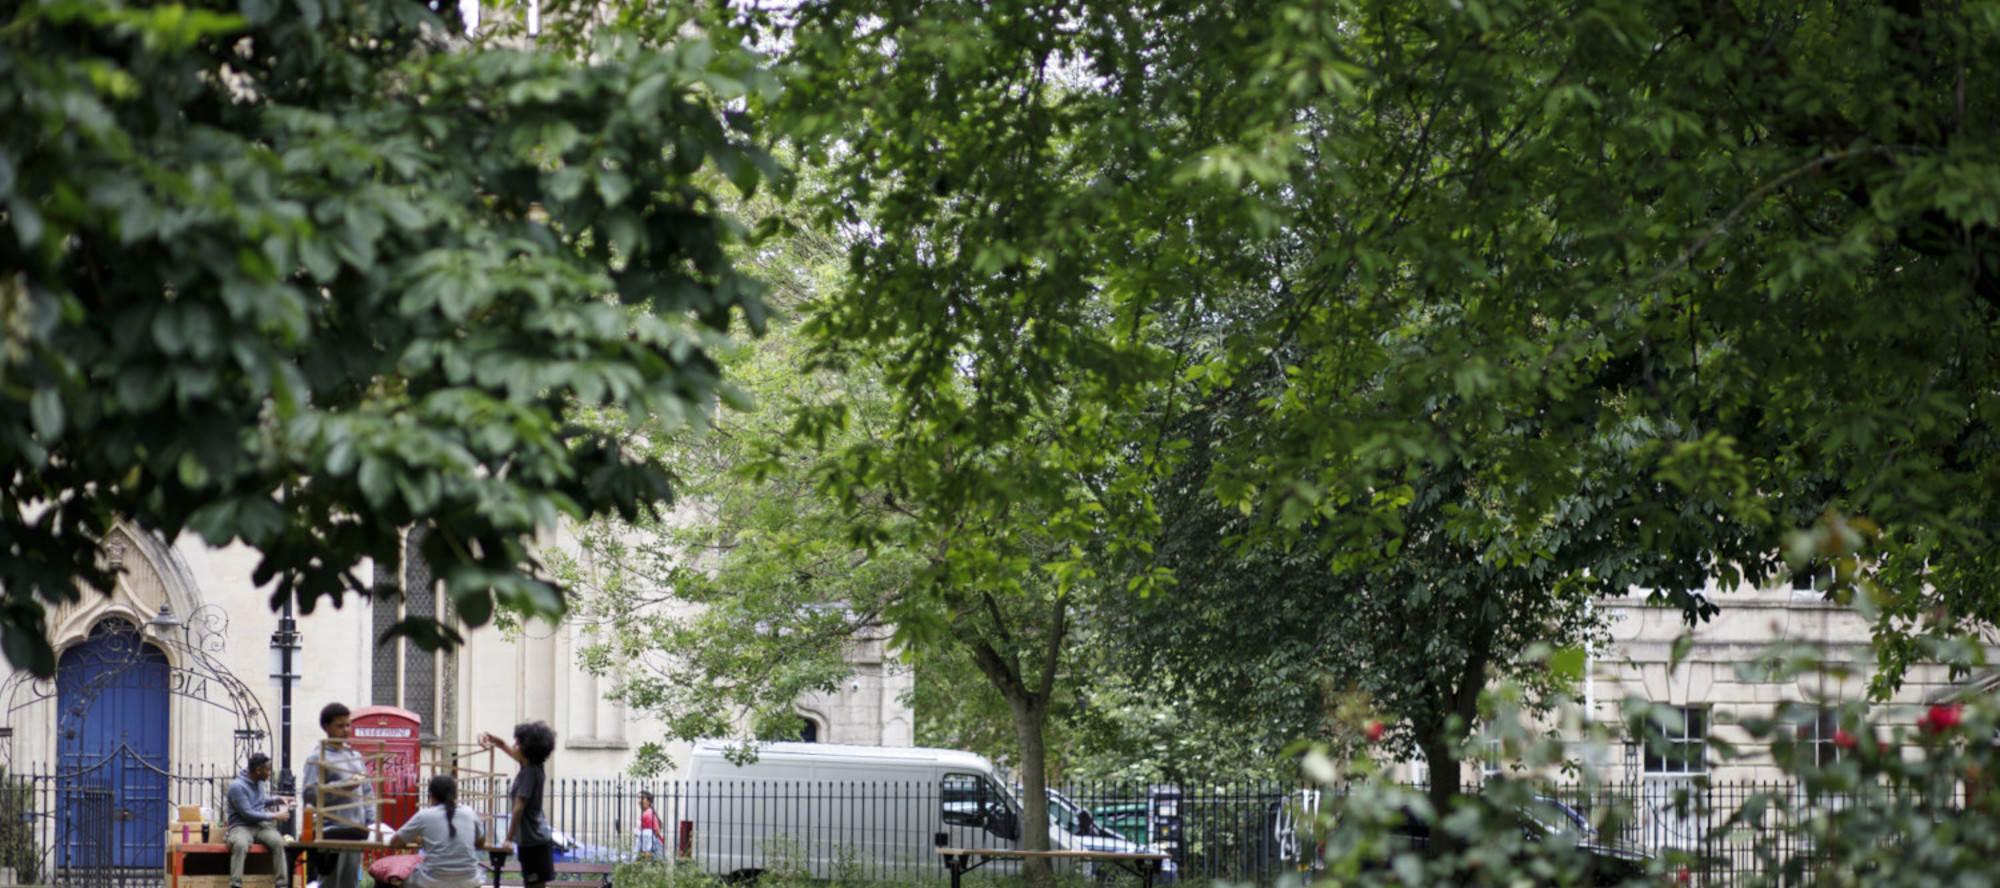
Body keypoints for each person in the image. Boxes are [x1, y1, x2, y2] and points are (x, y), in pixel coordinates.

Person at [303, 702, 375, 888]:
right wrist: (344, 786)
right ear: (326, 727)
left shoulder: (355, 755)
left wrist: (371, 821)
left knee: (350, 884)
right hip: (331, 832)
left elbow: (367, 790)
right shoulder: (317, 758)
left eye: (348, 724)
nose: (346, 730)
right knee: (330, 883)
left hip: (355, 832)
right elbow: (310, 795)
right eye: (340, 725)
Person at [480, 722, 557, 888]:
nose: (514, 746)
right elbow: (502, 745)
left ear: (527, 751)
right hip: (529, 841)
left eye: (518, 743)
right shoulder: (530, 766)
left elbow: (518, 808)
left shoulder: (530, 774)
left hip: (534, 842)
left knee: (535, 885)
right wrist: (490, 737)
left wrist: (508, 839)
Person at [389, 774, 487, 888]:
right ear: (455, 795)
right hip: (469, 880)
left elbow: (395, 842)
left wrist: (421, 839)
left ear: (431, 796)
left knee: (403, 880)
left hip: (433, 880)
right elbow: (481, 842)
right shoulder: (469, 812)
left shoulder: (424, 815)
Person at [225, 753, 291, 888]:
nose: (269, 773)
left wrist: (278, 799)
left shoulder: (259, 782)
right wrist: (273, 816)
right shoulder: (237, 787)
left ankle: (281, 883)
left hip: (260, 826)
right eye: (267, 769)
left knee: (278, 842)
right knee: (240, 844)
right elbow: (247, 813)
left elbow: (260, 801)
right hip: (241, 826)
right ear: (258, 770)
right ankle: (235, 883)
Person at [635, 790, 665, 858]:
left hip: (650, 848)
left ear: (648, 801)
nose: (639, 800)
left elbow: (657, 831)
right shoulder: (647, 813)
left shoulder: (648, 814)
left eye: (642, 798)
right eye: (638, 798)